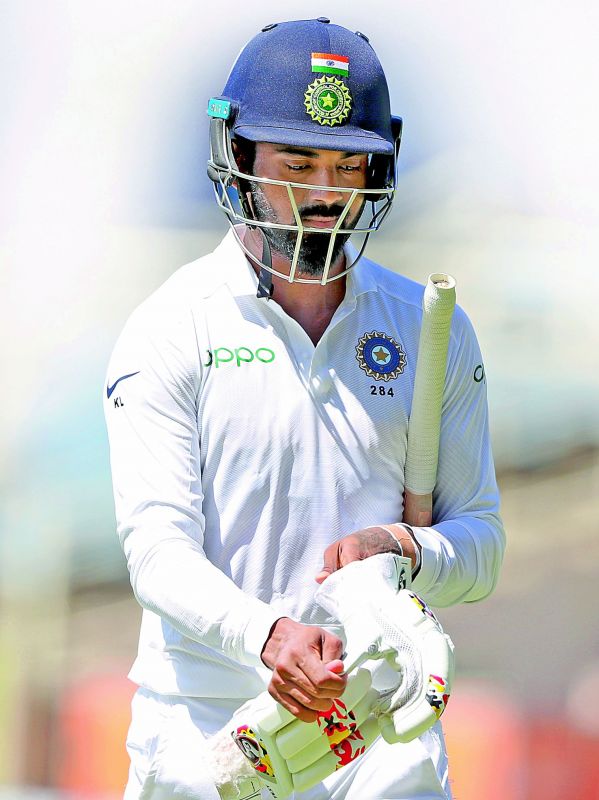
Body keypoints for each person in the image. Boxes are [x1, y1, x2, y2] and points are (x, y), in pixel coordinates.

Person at [104, 18, 505, 800]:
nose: (324, 193)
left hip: (380, 734)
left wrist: (403, 548)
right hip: (208, 730)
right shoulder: (171, 325)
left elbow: (480, 545)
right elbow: (156, 550)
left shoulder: (429, 327)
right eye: (297, 161)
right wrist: (268, 638)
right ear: (241, 159)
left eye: (347, 164)